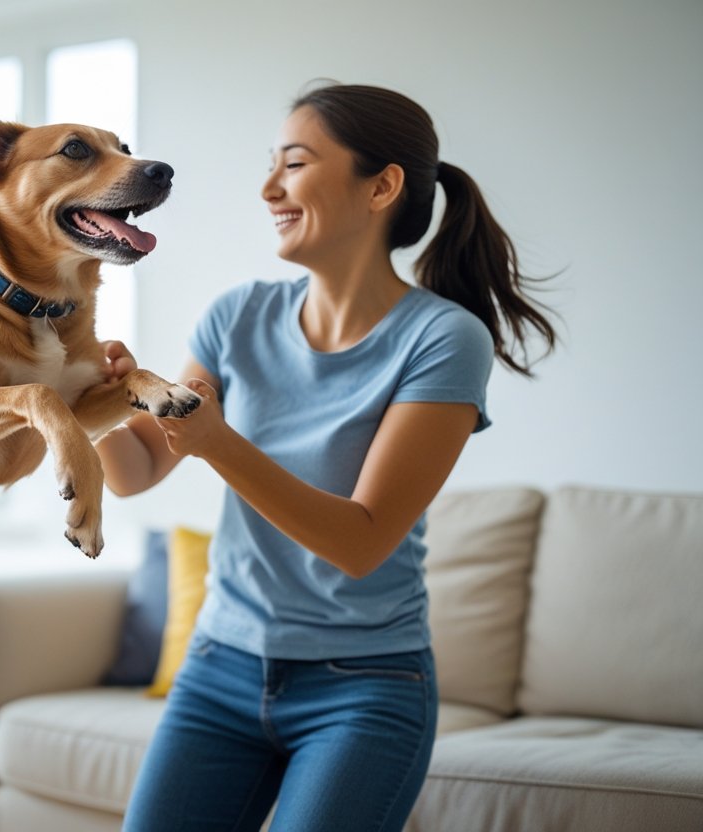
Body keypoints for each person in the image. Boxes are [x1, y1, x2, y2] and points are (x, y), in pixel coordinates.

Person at [94, 82, 557, 832]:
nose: (269, 188)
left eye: (295, 163)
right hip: (219, 666)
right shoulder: (237, 316)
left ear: (382, 186)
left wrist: (217, 443)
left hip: (364, 688)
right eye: (270, 164)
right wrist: (88, 393)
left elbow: (361, 542)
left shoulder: (443, 339)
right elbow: (135, 472)